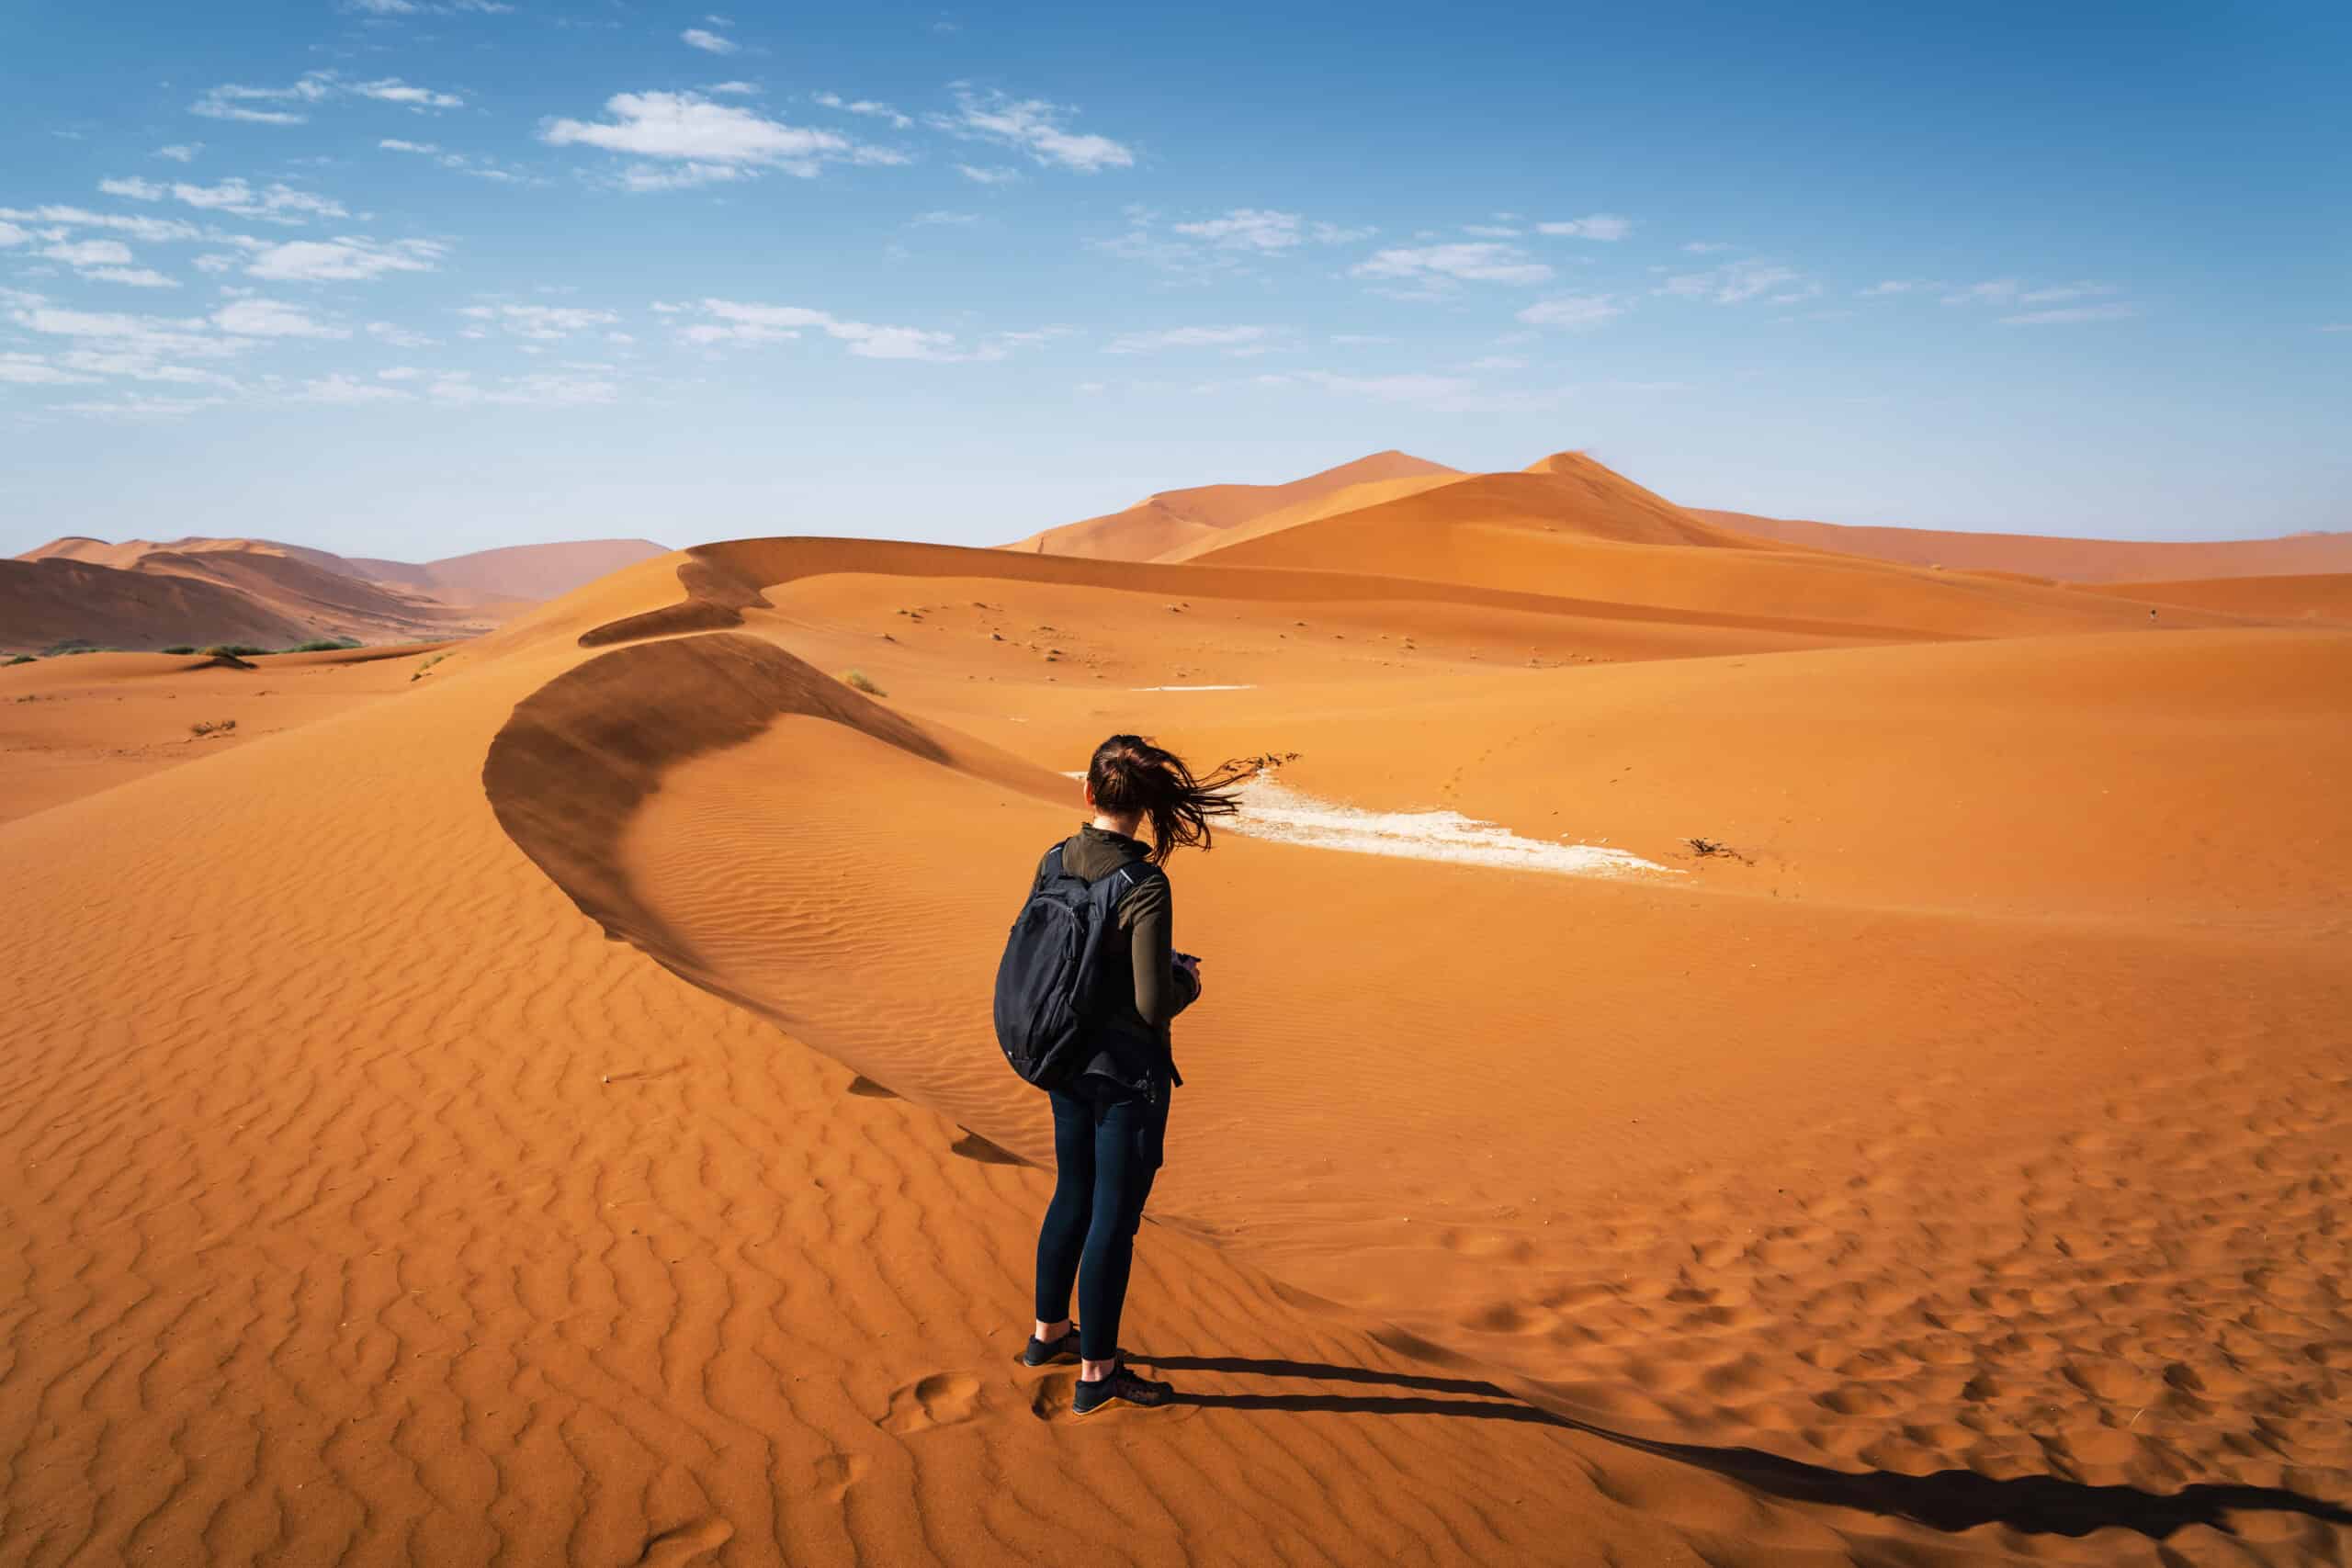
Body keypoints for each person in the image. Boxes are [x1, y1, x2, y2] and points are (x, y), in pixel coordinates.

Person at [1020, 734, 1246, 1415]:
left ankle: (1047, 1336)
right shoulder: (1145, 884)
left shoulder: (1053, 858)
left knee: (1073, 1193)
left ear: (1089, 794)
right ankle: (1098, 1373)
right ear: (1145, 808)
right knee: (1112, 1220)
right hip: (1123, 1077)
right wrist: (1189, 982)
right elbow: (1152, 1002)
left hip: (1062, 1058)